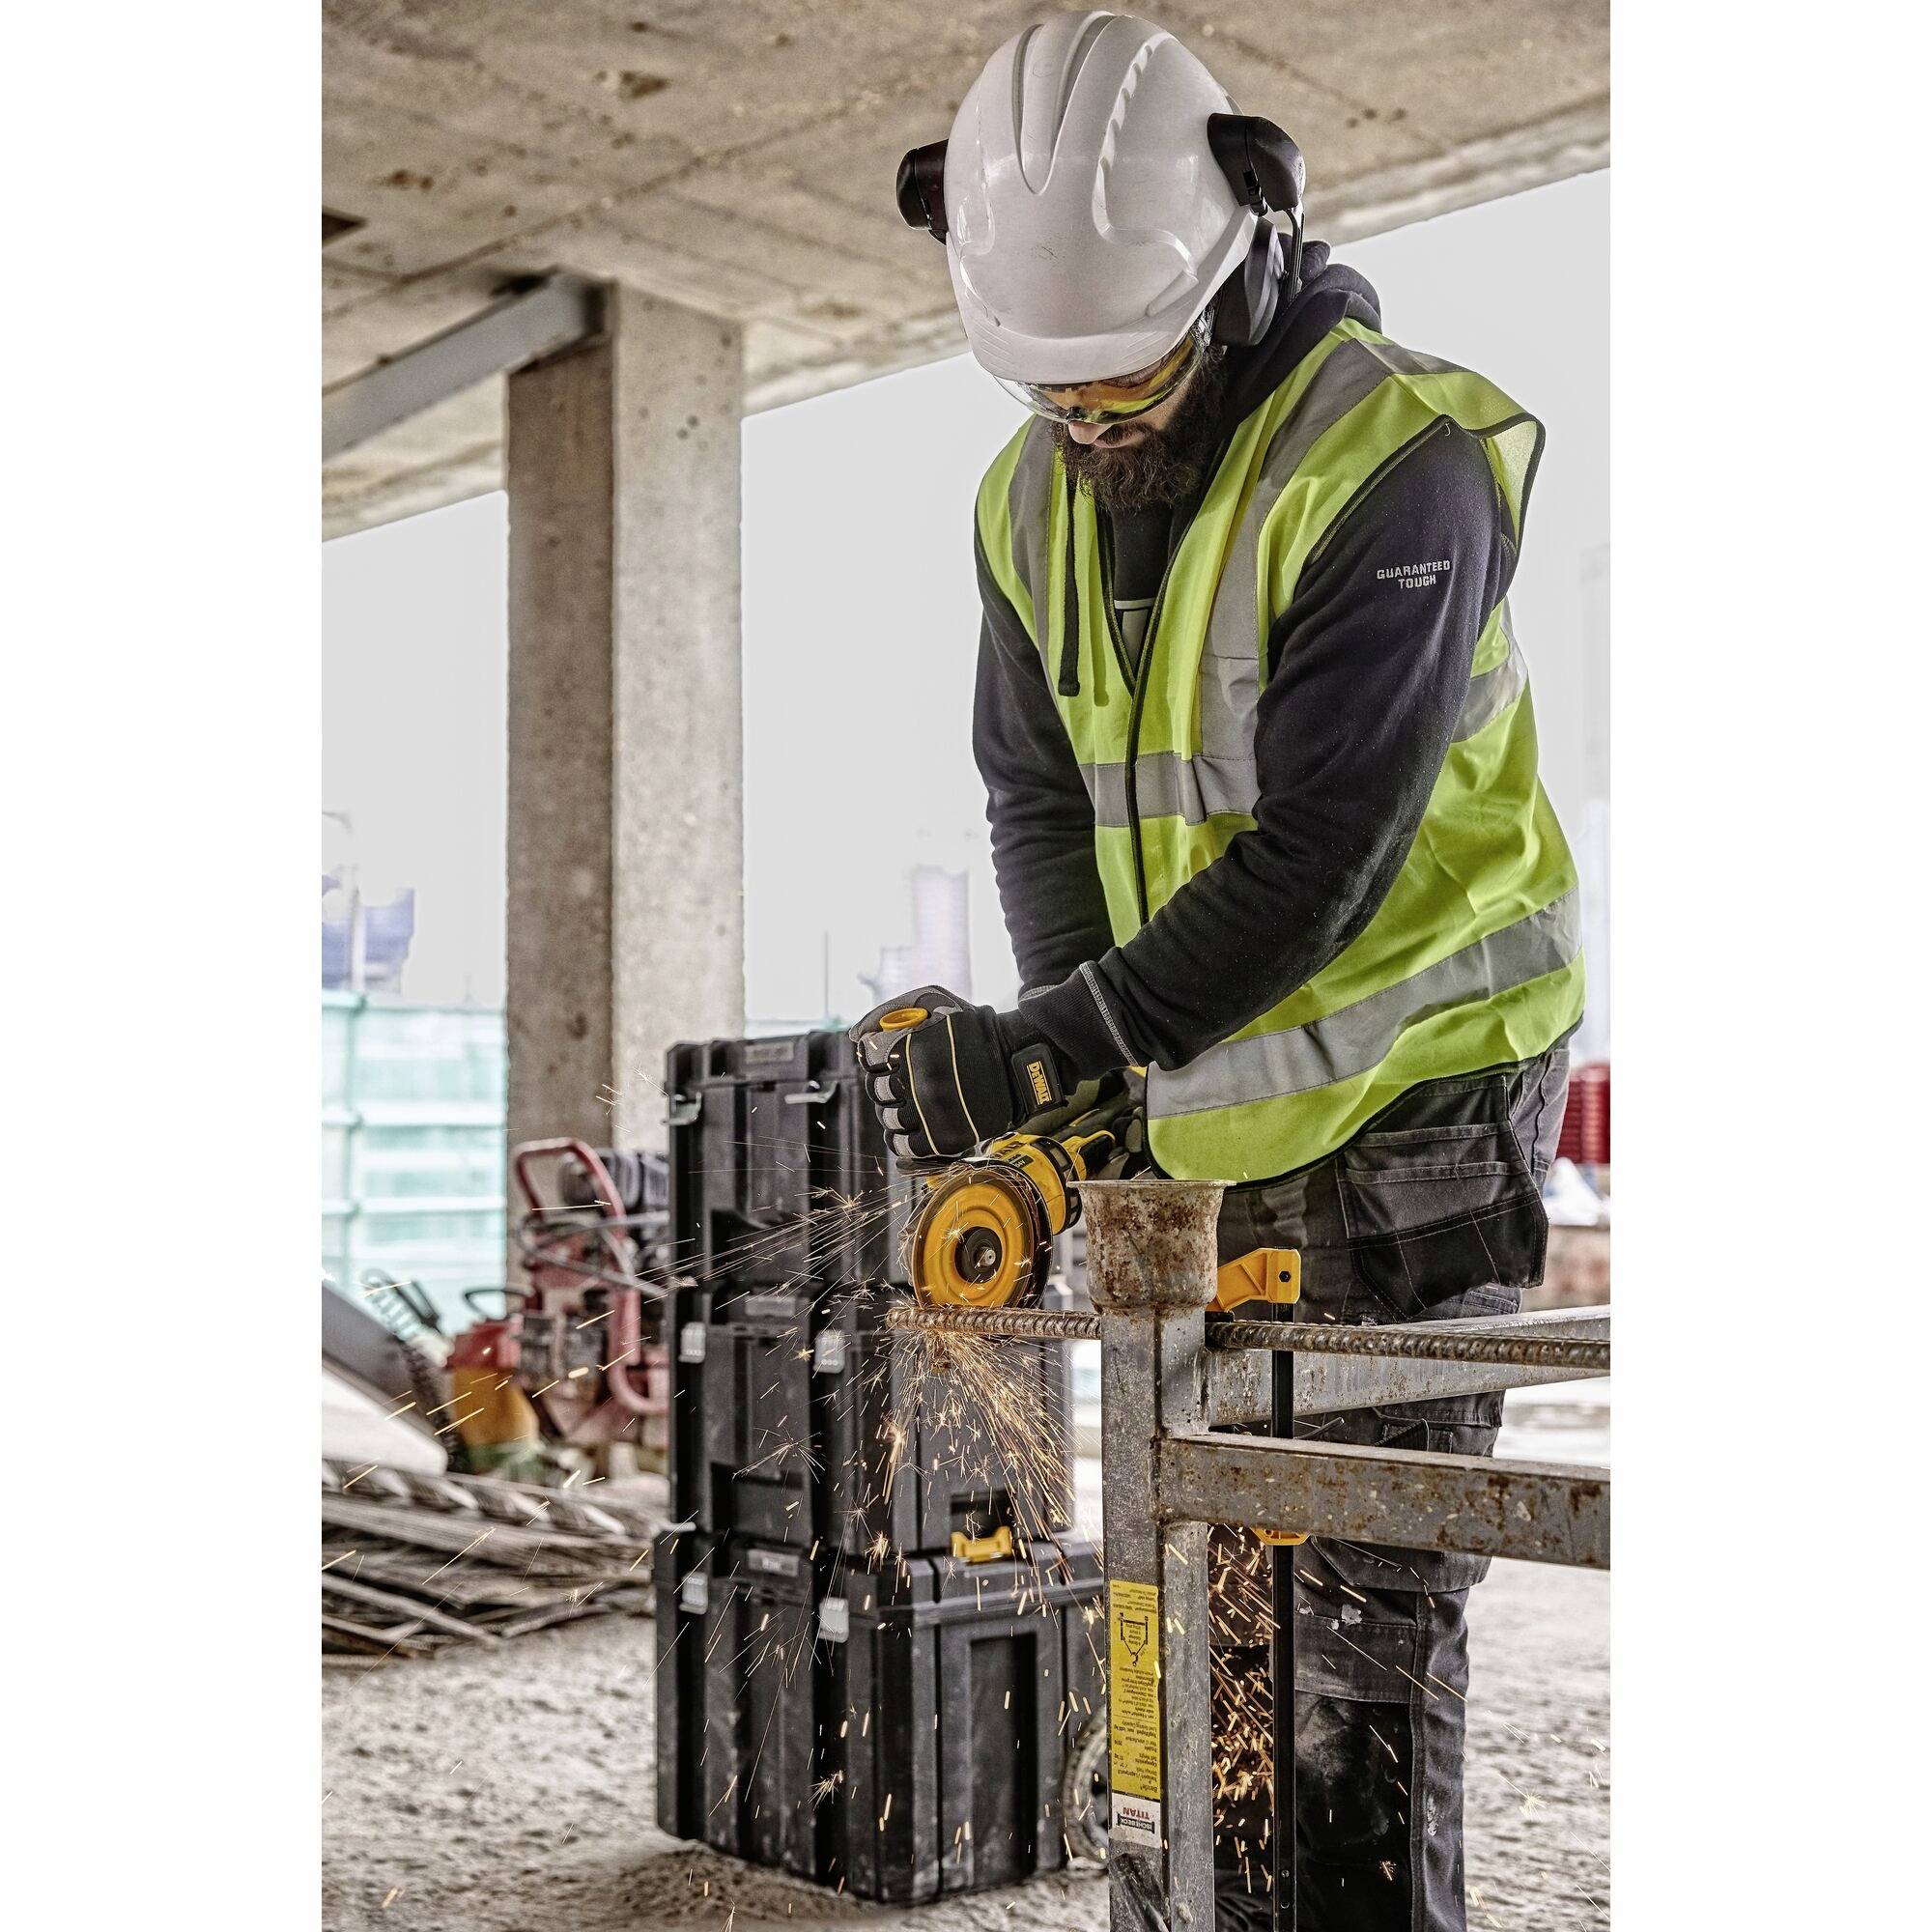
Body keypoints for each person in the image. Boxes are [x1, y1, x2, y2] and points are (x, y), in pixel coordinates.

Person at [853, 14, 1583, 1930]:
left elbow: (1321, 850)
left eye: (1129, 376)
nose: (1092, 422)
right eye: (1054, 386)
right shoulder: (1026, 498)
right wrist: (1075, 1078)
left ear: (1241, 254)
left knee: (1346, 1653)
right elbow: (1034, 795)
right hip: (1210, 1121)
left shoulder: (1397, 458)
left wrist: (1062, 1044)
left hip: (1413, 1113)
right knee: (1195, 1617)